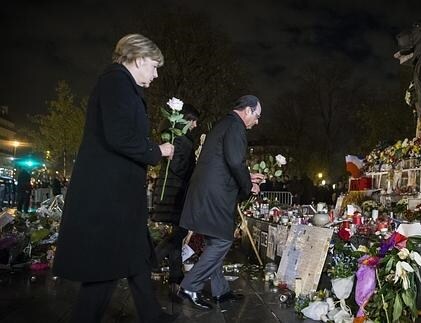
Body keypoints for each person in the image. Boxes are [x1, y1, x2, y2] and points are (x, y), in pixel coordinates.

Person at [52, 34, 176, 323]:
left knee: (136, 255)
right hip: (109, 194)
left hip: (118, 192)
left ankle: (151, 314)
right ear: (140, 58)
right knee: (105, 266)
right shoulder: (116, 81)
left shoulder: (123, 85)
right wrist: (156, 150)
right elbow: (119, 136)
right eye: (155, 66)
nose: (156, 74)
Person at [177, 95, 265, 310]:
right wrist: (248, 186)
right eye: (257, 116)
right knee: (223, 241)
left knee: (213, 242)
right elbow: (235, 161)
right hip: (215, 195)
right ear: (248, 111)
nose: (257, 121)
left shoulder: (224, 124)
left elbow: (225, 162)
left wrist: (248, 175)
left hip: (207, 191)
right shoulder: (236, 127)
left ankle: (220, 291)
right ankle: (190, 285)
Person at [150, 103, 200, 288]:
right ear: (186, 120)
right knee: (179, 232)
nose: (195, 126)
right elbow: (178, 167)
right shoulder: (181, 140)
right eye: (194, 122)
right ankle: (150, 261)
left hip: (172, 191)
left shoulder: (178, 138)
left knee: (178, 231)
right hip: (175, 192)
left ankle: (175, 274)